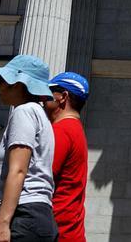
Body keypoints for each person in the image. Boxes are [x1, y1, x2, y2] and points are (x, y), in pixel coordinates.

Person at [0, 55, 57, 242]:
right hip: (36, 215)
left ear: (19, 84)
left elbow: (18, 171)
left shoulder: (24, 111)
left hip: (22, 215)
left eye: (2, 81)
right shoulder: (40, 115)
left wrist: (2, 223)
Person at [44, 72, 90, 242]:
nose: (42, 98)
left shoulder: (61, 131)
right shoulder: (76, 130)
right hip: (70, 232)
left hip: (57, 232)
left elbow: (41, 181)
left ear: (63, 96)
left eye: (48, 92)